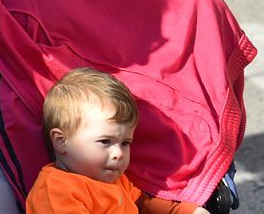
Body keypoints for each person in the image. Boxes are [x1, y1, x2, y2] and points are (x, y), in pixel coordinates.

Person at [26, 68, 209, 214]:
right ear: (61, 140)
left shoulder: (115, 180)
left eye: (125, 143)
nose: (118, 153)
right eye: (105, 141)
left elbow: (145, 205)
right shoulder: (57, 190)